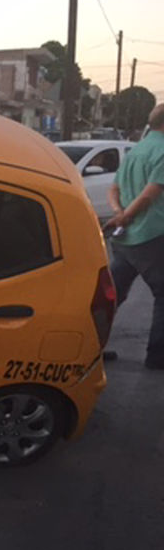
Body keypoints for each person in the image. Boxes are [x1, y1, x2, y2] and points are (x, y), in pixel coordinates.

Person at [103, 103, 164, 369]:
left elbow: (114, 189)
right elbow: (151, 194)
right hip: (152, 234)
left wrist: (119, 213)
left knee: (111, 295)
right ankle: (158, 356)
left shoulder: (137, 150)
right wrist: (126, 216)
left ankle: (87, 347)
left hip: (125, 239)